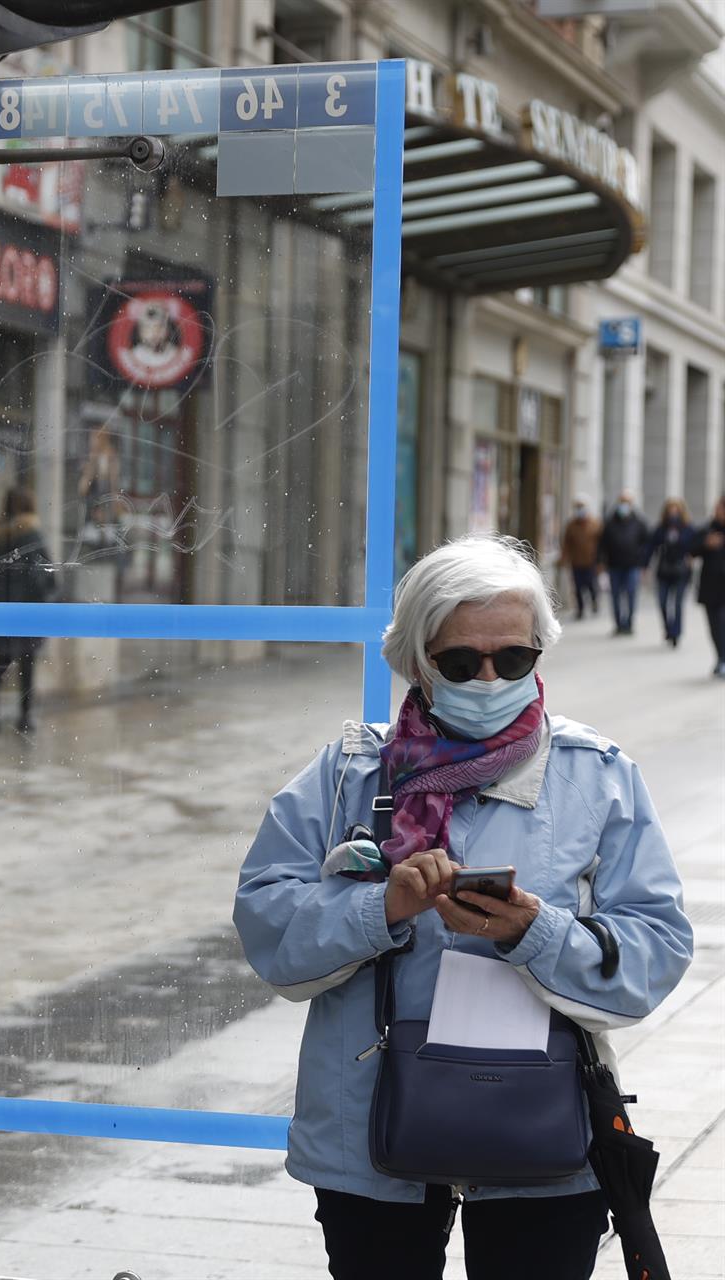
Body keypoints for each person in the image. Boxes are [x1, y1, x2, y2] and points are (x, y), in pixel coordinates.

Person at [233, 534, 692, 1280]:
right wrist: (380, 907)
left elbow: (656, 948)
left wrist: (536, 933)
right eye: (460, 661)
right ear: (417, 660)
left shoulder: (598, 776)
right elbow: (267, 928)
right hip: (370, 1124)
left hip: (540, 1126)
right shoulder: (347, 772)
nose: (488, 677)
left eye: (512, 658)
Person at [0, 485, 56, 734]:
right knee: (26, 663)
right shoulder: (31, 535)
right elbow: (45, 574)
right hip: (27, 609)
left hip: (0, 607)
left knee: (2, 658)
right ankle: (25, 715)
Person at [598, 489, 650, 635]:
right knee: (615, 596)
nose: (624, 505)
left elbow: (646, 544)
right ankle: (619, 624)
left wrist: (643, 563)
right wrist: (601, 562)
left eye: (627, 502)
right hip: (614, 565)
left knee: (631, 594)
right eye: (622, 502)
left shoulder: (639, 522)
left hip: (632, 566)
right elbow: (602, 544)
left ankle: (629, 623)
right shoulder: (610, 522)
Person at [646, 497, 694, 647]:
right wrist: (645, 566)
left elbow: (693, 547)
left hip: (681, 571)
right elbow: (651, 547)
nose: (673, 513)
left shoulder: (687, 528)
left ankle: (676, 632)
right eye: (670, 509)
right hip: (664, 570)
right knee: (662, 601)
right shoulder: (661, 528)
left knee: (678, 603)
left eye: (676, 509)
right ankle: (668, 628)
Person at [694, 496, 725, 678]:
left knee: (722, 623)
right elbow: (691, 549)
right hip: (710, 586)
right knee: (714, 625)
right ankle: (721, 657)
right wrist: (706, 543)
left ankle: (723, 658)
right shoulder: (707, 529)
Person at [559, 495, 602, 620]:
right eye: (578, 507)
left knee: (591, 584)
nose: (580, 510)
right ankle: (580, 609)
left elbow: (600, 543)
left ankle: (594, 601)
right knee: (577, 587)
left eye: (581, 507)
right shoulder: (571, 526)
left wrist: (601, 561)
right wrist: (564, 558)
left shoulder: (594, 524)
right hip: (576, 562)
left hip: (591, 561)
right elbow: (566, 543)